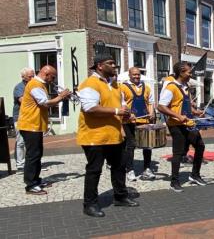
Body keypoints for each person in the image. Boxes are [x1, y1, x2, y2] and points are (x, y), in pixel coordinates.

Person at [77, 53, 138, 217]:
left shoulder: (116, 85)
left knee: (119, 167)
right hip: (94, 136)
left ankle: (120, 197)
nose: (115, 66)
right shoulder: (90, 83)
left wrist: (126, 114)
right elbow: (90, 108)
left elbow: (120, 105)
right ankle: (89, 204)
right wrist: (118, 111)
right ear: (100, 66)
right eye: (111, 63)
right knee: (94, 170)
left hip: (114, 135)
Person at [17, 65, 71, 195]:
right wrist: (61, 97)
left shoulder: (39, 84)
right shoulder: (35, 84)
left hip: (35, 125)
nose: (53, 80)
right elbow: (45, 103)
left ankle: (36, 180)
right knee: (33, 155)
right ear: (46, 74)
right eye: (53, 77)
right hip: (30, 125)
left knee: (37, 154)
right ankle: (30, 185)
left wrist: (60, 97)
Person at [158, 62, 208, 192]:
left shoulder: (185, 86)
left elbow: (184, 103)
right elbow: (161, 106)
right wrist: (178, 116)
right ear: (181, 72)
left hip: (188, 123)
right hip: (176, 125)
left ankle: (195, 175)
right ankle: (174, 181)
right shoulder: (171, 87)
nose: (190, 74)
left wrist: (195, 111)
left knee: (200, 146)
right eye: (189, 72)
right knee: (178, 153)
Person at [120, 67, 156, 182]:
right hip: (129, 122)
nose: (137, 76)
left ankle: (147, 169)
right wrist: (129, 114)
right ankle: (129, 170)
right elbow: (122, 103)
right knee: (130, 146)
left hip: (145, 121)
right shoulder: (122, 87)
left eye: (138, 74)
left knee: (147, 145)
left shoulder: (147, 87)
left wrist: (151, 113)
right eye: (134, 74)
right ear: (129, 75)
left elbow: (150, 102)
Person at [12, 67, 35, 170]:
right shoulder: (19, 87)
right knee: (20, 141)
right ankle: (20, 165)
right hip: (20, 117)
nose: (32, 78)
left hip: (31, 116)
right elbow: (23, 101)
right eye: (30, 76)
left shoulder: (34, 86)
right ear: (23, 77)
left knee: (31, 142)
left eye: (33, 75)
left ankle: (31, 164)